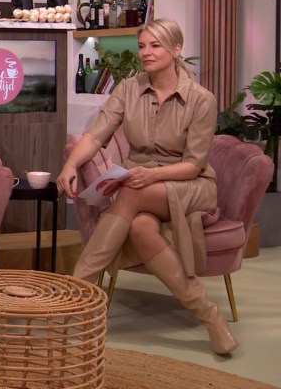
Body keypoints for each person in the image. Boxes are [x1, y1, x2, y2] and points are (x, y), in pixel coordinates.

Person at [56, 18, 237, 355]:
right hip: (140, 183)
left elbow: (194, 164)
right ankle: (210, 315)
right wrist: (69, 165)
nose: (146, 53)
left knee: (131, 190)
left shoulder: (201, 99)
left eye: (155, 46)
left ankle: (76, 295)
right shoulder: (128, 89)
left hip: (188, 183)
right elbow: (95, 135)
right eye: (142, 46)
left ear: (176, 49)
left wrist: (153, 176)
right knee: (140, 227)